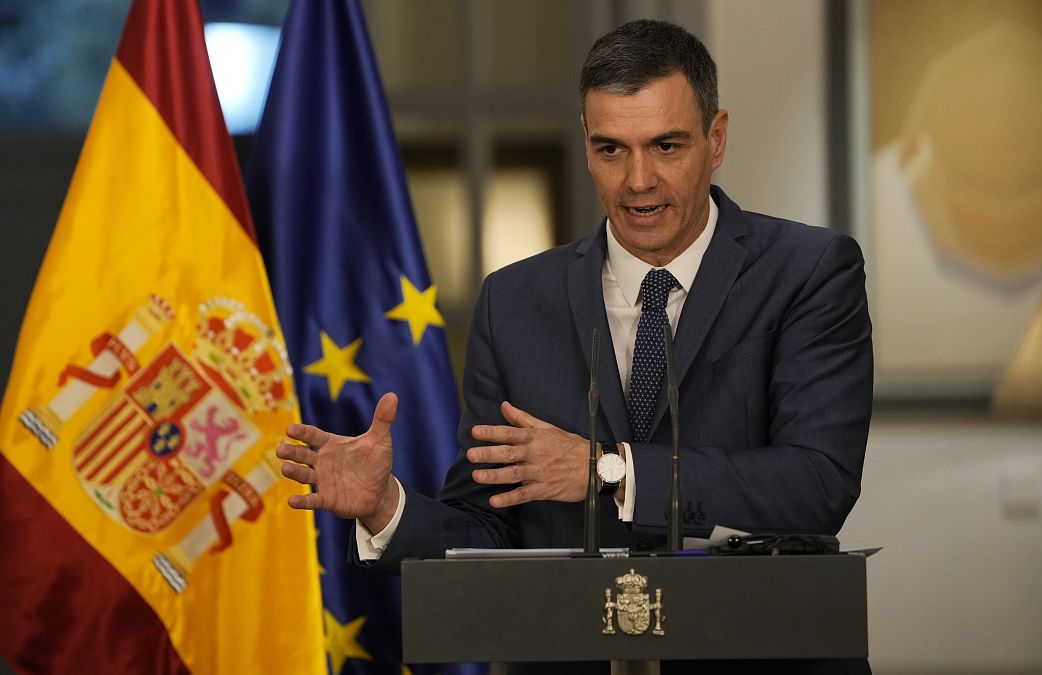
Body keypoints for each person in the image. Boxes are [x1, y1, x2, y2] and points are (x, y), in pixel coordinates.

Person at [277, 18, 872, 674]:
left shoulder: (810, 270)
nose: (638, 180)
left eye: (666, 146)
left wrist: (608, 468)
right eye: (611, 149)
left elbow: (817, 482)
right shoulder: (513, 301)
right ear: (586, 146)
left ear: (717, 137)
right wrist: (388, 505)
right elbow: (490, 527)